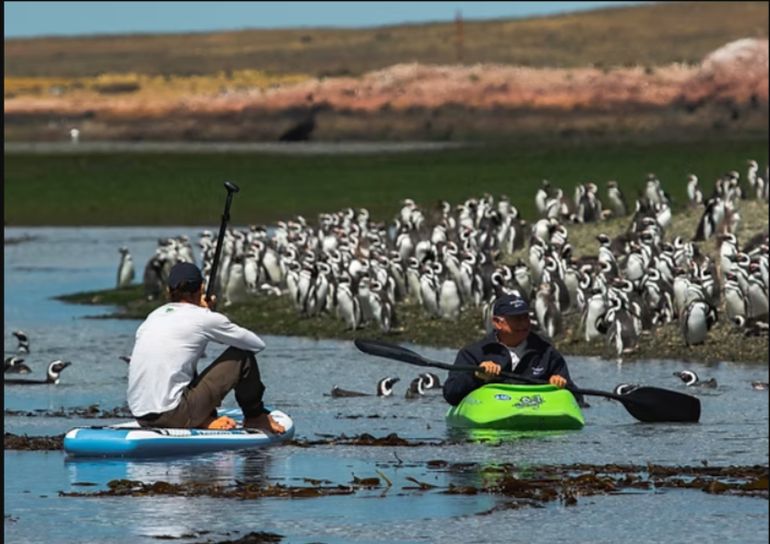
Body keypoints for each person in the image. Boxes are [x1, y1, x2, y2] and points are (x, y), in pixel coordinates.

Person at [127, 261, 285, 433]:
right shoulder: (203, 317)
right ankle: (256, 418)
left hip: (141, 416)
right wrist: (210, 316)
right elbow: (255, 344)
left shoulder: (153, 316)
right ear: (201, 288)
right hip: (172, 415)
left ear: (168, 291)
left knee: (183, 360)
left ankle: (204, 418)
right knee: (242, 357)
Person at [443, 292, 584, 406]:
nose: (523, 324)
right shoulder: (474, 353)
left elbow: (578, 398)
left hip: (534, 418)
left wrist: (561, 385)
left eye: (525, 317)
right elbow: (450, 394)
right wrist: (476, 376)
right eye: (516, 319)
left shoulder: (546, 352)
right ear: (497, 323)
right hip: (492, 418)